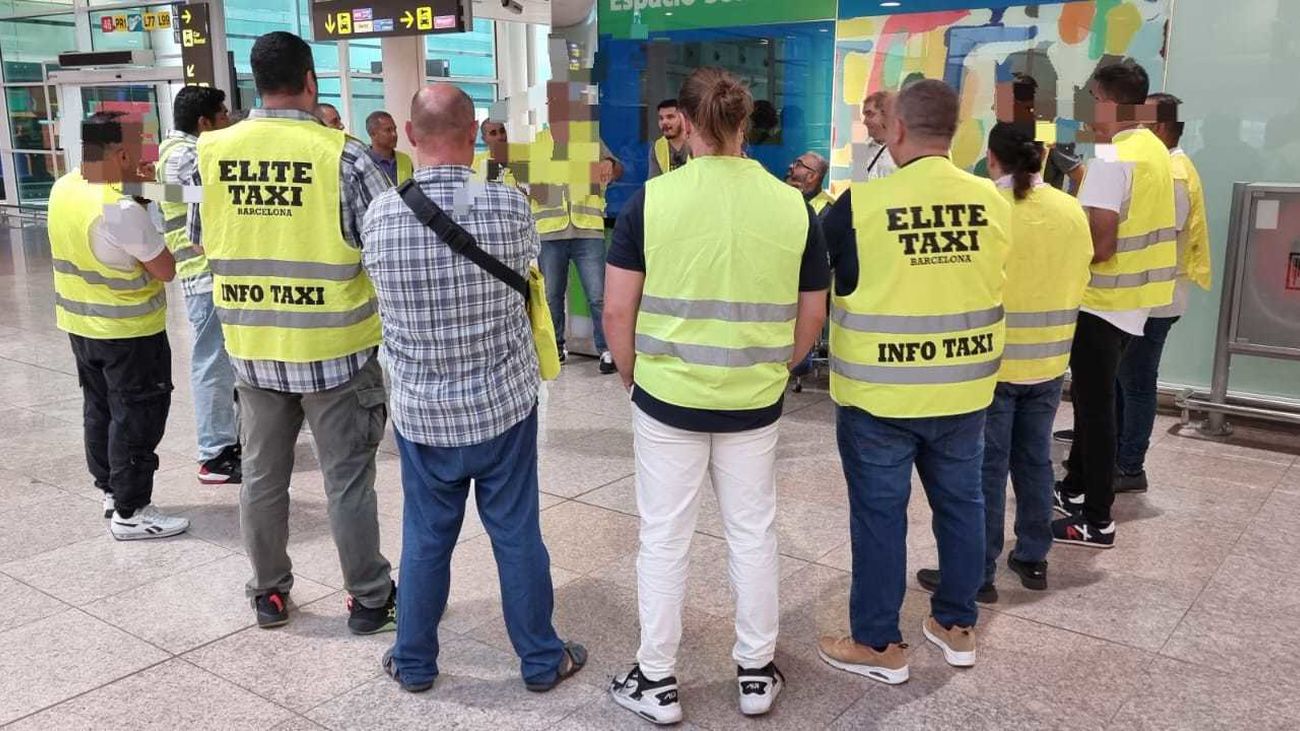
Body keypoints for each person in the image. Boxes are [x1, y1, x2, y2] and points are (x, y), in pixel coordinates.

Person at [604, 66, 830, 723]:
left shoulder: (654, 200)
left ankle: (656, 680)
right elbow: (812, 311)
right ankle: (756, 672)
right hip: (754, 401)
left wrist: (632, 376)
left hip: (667, 397)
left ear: (687, 124)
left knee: (664, 537)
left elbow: (617, 310)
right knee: (752, 533)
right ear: (743, 123)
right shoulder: (791, 205)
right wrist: (780, 366)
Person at [362, 83, 587, 695]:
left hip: (423, 414)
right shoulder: (508, 205)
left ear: (411, 135)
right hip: (502, 407)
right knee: (516, 534)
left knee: (425, 538)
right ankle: (541, 660)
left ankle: (413, 662)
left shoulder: (380, 214)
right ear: (473, 135)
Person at [190, 31, 397, 632]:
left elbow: (201, 235)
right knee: (347, 482)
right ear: (310, 81)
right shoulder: (345, 156)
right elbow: (388, 245)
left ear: (255, 84)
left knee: (261, 479)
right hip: (336, 351)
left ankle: (269, 593)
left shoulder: (212, 152)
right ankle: (368, 599)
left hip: (252, 348)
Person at [817, 80, 1012, 682]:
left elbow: (815, 271)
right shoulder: (992, 200)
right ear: (954, 131)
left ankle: (879, 644)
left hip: (879, 396)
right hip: (963, 390)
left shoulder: (860, 204)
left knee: (880, 516)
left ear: (896, 128)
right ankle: (956, 625)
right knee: (963, 506)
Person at [915, 122, 1092, 600]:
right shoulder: (1070, 209)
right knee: (1035, 461)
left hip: (990, 363)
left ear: (991, 158)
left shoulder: (984, 207)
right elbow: (1084, 272)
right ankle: (1033, 557)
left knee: (985, 470)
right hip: (1050, 360)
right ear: (1041, 157)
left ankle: (979, 573)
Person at [1053, 62, 1177, 549]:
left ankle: (1097, 519)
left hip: (1103, 299)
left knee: (1095, 409)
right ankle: (1075, 487)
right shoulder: (1153, 149)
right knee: (1096, 403)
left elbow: (1100, 244)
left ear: (1107, 101)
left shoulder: (1112, 158)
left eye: (1091, 99)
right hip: (1135, 300)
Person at [50, 112, 189, 540]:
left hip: (80, 325)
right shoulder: (120, 207)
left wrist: (147, 185)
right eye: (138, 151)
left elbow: (183, 193)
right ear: (122, 154)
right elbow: (165, 269)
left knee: (100, 410)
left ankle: (111, 492)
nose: (146, 160)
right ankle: (131, 511)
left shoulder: (65, 186)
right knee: (136, 418)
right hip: (129, 334)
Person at [1114, 93, 1211, 493]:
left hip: (1156, 297)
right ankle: (1117, 454)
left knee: (1136, 382)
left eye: (1140, 123)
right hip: (1144, 293)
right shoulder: (1166, 166)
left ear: (1159, 127)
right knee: (1124, 379)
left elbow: (1158, 232)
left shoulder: (1172, 173)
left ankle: (1130, 466)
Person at [157, 85, 241, 486]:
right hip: (205, 273)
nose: (227, 120)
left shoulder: (171, 150)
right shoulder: (189, 155)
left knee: (220, 361)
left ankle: (225, 443)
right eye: (222, 115)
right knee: (213, 362)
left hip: (204, 274)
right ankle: (215, 454)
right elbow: (212, 210)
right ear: (204, 122)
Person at [527, 82, 624, 374]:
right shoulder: (537, 144)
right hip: (550, 230)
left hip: (587, 229)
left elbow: (617, 170)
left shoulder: (591, 142)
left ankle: (607, 350)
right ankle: (556, 347)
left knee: (598, 295)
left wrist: (609, 164)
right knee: (551, 296)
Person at [366, 110, 414, 186]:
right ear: (373, 134)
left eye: (395, 129)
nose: (394, 134)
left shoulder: (405, 160)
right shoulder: (363, 163)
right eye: (388, 130)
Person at [859, 90, 898, 180]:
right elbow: (858, 182)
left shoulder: (905, 151)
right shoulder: (861, 149)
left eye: (870, 114)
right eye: (865, 115)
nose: (864, 122)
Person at [648, 98, 690, 179]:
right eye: (661, 118)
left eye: (670, 117)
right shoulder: (657, 147)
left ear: (683, 118)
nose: (664, 122)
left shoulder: (695, 143)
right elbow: (654, 182)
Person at [785, 151, 835, 216]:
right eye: (794, 163)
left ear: (811, 176)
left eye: (798, 165)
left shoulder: (828, 212)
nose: (790, 166)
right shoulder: (791, 195)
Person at [473, 118, 517, 187]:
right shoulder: (474, 162)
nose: (500, 137)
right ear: (484, 139)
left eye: (502, 131)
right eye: (493, 133)